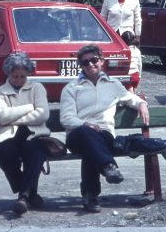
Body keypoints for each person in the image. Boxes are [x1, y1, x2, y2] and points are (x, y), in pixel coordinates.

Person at [60, 44, 150, 213]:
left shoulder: (112, 84)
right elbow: (66, 118)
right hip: (77, 135)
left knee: (92, 148)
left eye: (94, 60)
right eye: (85, 62)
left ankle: (91, 195)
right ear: (80, 66)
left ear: (102, 61)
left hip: (104, 135)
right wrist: (84, 124)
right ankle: (108, 166)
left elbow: (130, 98)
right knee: (88, 135)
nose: (90, 64)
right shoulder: (72, 88)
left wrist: (142, 104)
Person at [0, 52, 50, 215]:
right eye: (14, 76)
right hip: (7, 134)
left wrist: (13, 118)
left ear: (28, 74)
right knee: (2, 151)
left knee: (36, 152)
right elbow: (1, 117)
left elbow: (43, 114)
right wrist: (29, 108)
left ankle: (23, 197)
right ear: (8, 74)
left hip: (33, 133)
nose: (18, 80)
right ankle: (30, 192)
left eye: (22, 76)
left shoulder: (37, 88)